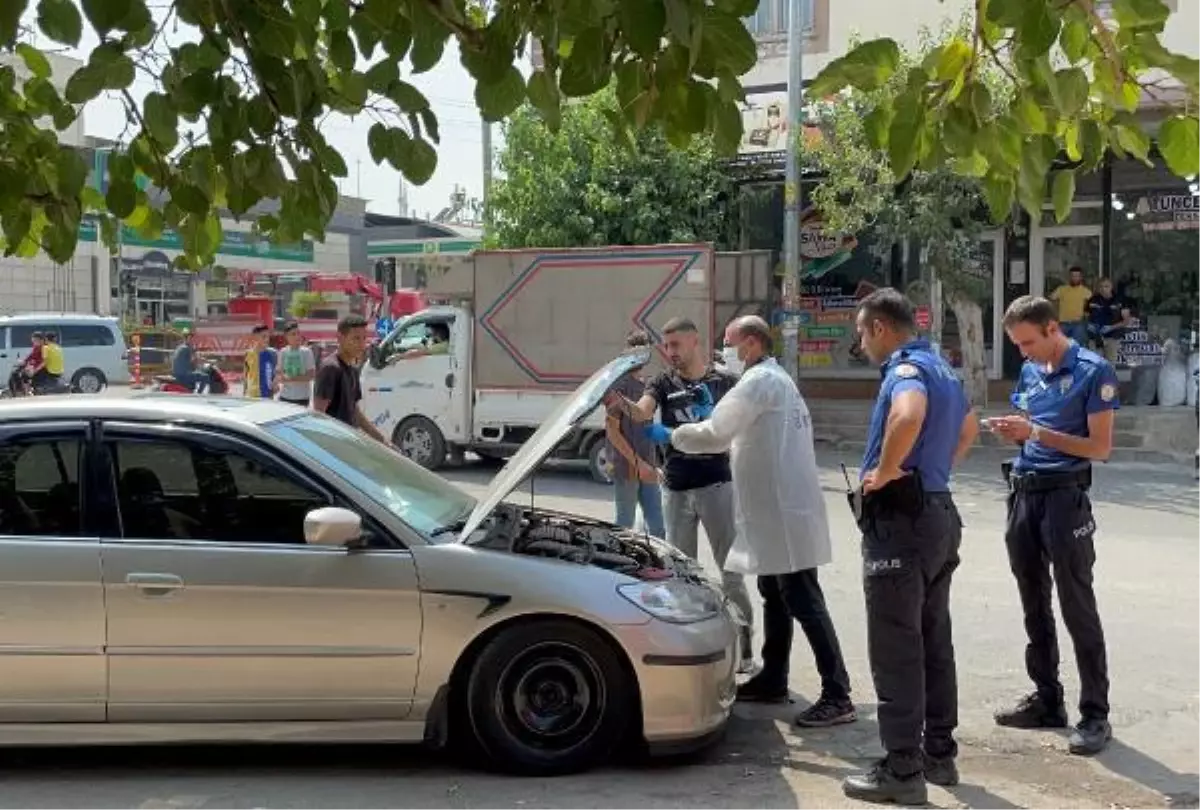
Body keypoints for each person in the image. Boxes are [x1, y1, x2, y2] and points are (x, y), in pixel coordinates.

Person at [643, 316, 855, 728]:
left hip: (783, 513)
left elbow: (718, 435)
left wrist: (670, 435)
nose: (724, 351)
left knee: (803, 600)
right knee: (774, 594)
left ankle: (837, 693)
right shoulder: (770, 380)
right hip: (774, 511)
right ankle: (773, 678)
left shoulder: (759, 383)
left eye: (730, 342)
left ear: (753, 344)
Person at [840, 289, 976, 805]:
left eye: (860, 331)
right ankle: (939, 754)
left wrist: (888, 470)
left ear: (878, 327)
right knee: (932, 637)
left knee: (896, 645)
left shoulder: (905, 371)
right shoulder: (942, 368)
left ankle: (901, 769)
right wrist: (935, 469)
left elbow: (908, 415)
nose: (861, 341)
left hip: (902, 518)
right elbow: (967, 427)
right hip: (938, 509)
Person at [984, 295, 1117, 758]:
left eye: (1027, 342)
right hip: (1024, 492)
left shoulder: (1092, 371)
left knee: (1076, 602)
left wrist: (1036, 434)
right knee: (1032, 601)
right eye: (1016, 345)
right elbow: (1029, 420)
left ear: (1053, 328)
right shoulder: (1029, 370)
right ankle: (1047, 699)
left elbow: (1100, 448)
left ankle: (1095, 713)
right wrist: (1015, 428)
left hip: (1065, 496)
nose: (1023, 353)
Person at [605, 317, 756, 675]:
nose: (670, 353)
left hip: (717, 486)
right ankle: (692, 650)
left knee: (730, 574)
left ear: (694, 343)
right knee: (682, 575)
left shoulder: (724, 381)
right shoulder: (661, 382)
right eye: (667, 347)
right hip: (675, 488)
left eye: (676, 346)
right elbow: (642, 412)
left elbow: (742, 427)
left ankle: (746, 650)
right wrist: (619, 402)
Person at [605, 330, 665, 538]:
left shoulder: (647, 386)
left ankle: (658, 567)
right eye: (637, 352)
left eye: (645, 351)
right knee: (624, 524)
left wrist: (653, 463)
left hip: (648, 464)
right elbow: (612, 432)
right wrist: (638, 463)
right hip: (626, 466)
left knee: (657, 526)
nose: (642, 357)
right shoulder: (617, 386)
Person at [313, 314, 389, 443]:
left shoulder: (353, 370)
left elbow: (355, 412)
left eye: (364, 338)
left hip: (349, 443)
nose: (361, 344)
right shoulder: (330, 368)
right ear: (340, 338)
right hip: (334, 445)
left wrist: (383, 441)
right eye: (356, 338)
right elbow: (318, 415)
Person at [1086, 278, 1132, 364]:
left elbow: (1126, 321)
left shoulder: (1120, 300)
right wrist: (1089, 325)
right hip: (1095, 337)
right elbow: (1086, 317)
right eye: (1101, 287)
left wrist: (1111, 327)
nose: (1103, 289)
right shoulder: (1092, 300)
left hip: (1112, 337)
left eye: (1106, 286)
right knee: (1095, 365)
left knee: (1110, 366)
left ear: (1111, 287)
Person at [1050, 266, 1092, 346]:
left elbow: (1090, 308)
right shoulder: (1061, 289)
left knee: (1076, 348)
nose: (1075, 278)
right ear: (1069, 277)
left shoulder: (1086, 292)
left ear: (1081, 277)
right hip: (1063, 324)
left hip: (1078, 325)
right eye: (1073, 276)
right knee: (1060, 348)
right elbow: (1051, 301)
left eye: (1077, 276)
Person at [278, 322, 317, 407]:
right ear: (286, 337)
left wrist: (291, 378)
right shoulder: (283, 352)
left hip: (302, 398)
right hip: (285, 397)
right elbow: (279, 373)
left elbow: (311, 375)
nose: (297, 336)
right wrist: (281, 377)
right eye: (293, 334)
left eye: (298, 333)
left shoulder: (307, 352)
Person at [242, 325, 278, 400]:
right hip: (251, 395)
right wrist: (244, 392)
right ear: (255, 337)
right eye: (263, 336)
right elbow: (245, 375)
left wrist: (275, 383)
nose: (267, 339)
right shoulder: (248, 354)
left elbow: (277, 372)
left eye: (268, 336)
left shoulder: (273, 353)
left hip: (267, 395)